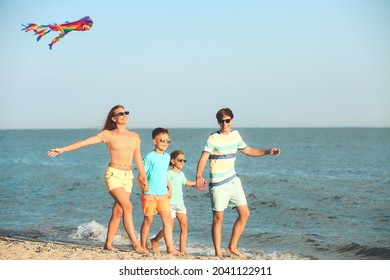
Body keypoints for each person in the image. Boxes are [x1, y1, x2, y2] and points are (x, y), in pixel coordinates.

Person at [47, 105, 147, 253]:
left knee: (118, 211)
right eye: (120, 113)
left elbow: (138, 159)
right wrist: (62, 149)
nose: (124, 115)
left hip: (128, 177)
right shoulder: (108, 134)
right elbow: (83, 143)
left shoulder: (134, 136)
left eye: (126, 112)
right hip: (113, 175)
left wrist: (143, 176)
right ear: (114, 118)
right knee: (128, 207)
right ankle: (135, 244)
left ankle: (108, 244)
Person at [195, 108, 281, 258]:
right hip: (218, 183)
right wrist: (198, 175)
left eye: (227, 120)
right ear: (218, 122)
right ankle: (218, 253)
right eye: (221, 121)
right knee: (218, 218)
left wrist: (268, 151)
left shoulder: (236, 135)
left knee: (245, 213)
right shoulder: (213, 138)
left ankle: (232, 247)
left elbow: (248, 151)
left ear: (232, 120)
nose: (224, 124)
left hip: (233, 180)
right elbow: (203, 157)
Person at [138, 128, 181, 255]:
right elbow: (141, 175)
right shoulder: (149, 157)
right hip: (150, 194)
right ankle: (143, 245)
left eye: (168, 140)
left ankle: (170, 248)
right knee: (148, 220)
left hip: (163, 195)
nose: (166, 142)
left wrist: (170, 187)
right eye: (162, 140)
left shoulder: (167, 157)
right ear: (154, 141)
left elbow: (163, 175)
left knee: (167, 220)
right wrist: (142, 186)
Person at [151, 150, 198, 255]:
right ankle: (155, 240)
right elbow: (163, 185)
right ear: (172, 161)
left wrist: (196, 182)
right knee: (169, 227)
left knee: (184, 226)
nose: (182, 162)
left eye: (184, 160)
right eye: (180, 160)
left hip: (180, 204)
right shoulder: (168, 173)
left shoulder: (181, 174)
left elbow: (186, 182)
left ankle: (182, 250)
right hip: (169, 203)